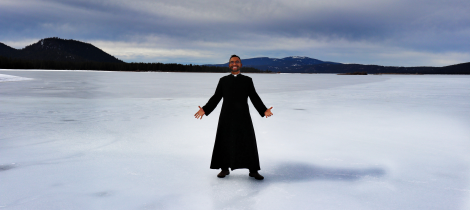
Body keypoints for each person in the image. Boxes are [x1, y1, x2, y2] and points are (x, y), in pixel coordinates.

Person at [194, 55, 273, 180]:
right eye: (232, 62)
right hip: (226, 116)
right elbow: (216, 97)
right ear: (229, 65)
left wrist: (264, 110)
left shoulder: (247, 80)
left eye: (237, 62)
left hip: (243, 117)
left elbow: (254, 97)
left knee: (248, 142)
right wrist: (205, 109)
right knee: (224, 141)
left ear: (240, 64)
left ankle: (253, 170)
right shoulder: (223, 81)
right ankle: (224, 169)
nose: (234, 64)